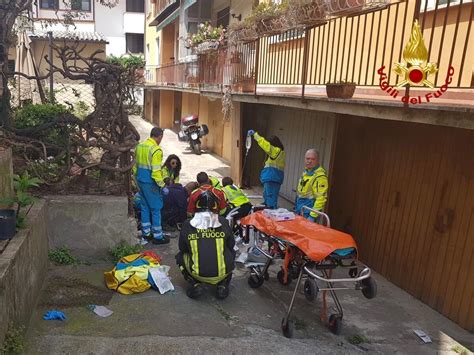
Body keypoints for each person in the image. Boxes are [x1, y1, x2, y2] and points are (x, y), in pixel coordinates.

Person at [176, 190, 235, 299]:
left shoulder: (187, 224)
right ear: (216, 207)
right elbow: (231, 245)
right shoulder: (223, 221)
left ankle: (194, 283)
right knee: (231, 252)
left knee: (180, 256)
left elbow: (182, 248)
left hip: (198, 274)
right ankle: (223, 284)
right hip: (223, 272)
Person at [132, 127, 170, 245]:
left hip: (140, 181)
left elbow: (135, 166)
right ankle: (158, 236)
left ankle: (146, 234)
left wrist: (136, 179)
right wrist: (162, 185)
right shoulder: (156, 150)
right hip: (151, 183)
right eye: (161, 138)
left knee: (144, 207)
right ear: (159, 137)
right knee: (156, 208)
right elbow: (156, 171)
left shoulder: (140, 146)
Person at [247, 130, 285, 209]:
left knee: (270, 199)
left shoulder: (276, 151)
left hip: (272, 177)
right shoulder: (280, 153)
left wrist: (255, 135)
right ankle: (267, 208)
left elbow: (264, 144)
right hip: (273, 178)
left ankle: (270, 212)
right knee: (267, 196)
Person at [295, 149, 329, 222]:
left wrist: (312, 216)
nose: (309, 161)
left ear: (317, 160)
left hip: (309, 211)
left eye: (313, 159)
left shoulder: (320, 176)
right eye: (307, 158)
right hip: (300, 208)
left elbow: (321, 198)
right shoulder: (306, 172)